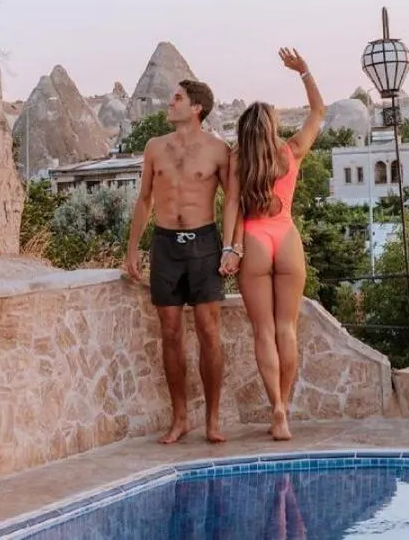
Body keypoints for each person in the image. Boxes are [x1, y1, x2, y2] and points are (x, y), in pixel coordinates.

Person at [219, 47, 324, 441]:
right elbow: (318, 113)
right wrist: (304, 71)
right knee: (287, 329)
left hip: (256, 240)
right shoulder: (290, 152)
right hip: (286, 237)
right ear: (272, 127)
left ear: (245, 129)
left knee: (263, 331)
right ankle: (285, 407)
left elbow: (231, 203)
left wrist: (230, 247)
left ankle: (276, 410)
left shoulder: (238, 160)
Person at [124, 78, 231, 445]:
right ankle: (180, 418)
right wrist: (133, 247)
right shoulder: (155, 148)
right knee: (170, 332)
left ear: (197, 107)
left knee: (208, 332)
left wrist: (233, 248)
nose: (170, 103)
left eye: (178, 98)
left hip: (204, 244)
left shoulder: (219, 151)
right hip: (166, 244)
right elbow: (144, 200)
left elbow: (233, 202)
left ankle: (213, 420)